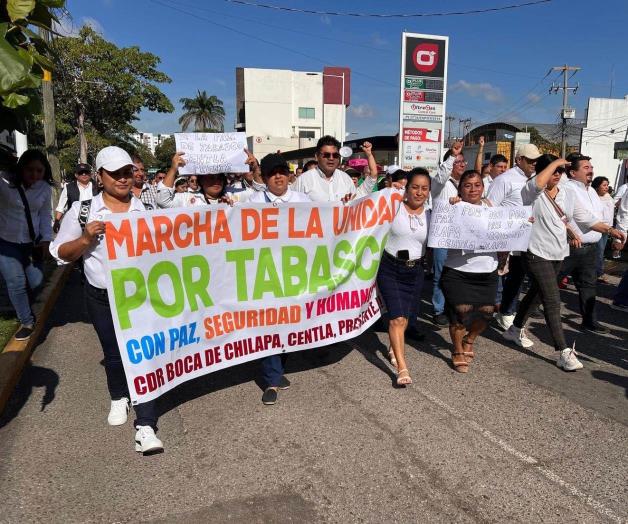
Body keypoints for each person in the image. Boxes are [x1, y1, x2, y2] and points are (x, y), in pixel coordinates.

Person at [49, 146, 163, 454]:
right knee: (113, 353)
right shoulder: (83, 211)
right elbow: (60, 253)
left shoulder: (146, 211)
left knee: (143, 354)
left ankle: (146, 424)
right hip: (101, 296)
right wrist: (85, 240)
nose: (123, 179)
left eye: (127, 172)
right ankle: (118, 396)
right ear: (100, 177)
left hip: (141, 297)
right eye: (115, 174)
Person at [502, 154, 625, 370]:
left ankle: (514, 328)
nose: (557, 175)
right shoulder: (531, 190)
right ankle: (563, 351)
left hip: (558, 252)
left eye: (560, 171)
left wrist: (611, 230)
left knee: (537, 294)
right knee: (552, 299)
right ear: (543, 171)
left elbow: (581, 218)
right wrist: (556, 162)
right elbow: (538, 182)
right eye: (553, 171)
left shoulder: (565, 193)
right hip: (535, 252)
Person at [247, 153, 311, 405]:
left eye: (282, 171)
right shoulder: (252, 202)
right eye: (273, 173)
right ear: (264, 177)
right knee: (269, 327)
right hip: (265, 275)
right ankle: (271, 379)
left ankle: (278, 369)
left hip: (294, 274)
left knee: (288, 326)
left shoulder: (302, 200)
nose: (278, 176)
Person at [441, 170, 499, 373]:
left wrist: (522, 226)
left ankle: (470, 339)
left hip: (487, 270)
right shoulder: (453, 207)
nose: (473, 189)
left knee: (487, 314)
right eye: (467, 185)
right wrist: (450, 208)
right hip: (458, 270)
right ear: (460, 189)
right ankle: (457, 350)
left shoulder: (492, 208)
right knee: (460, 312)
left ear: (483, 188)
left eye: (477, 185)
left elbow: (506, 232)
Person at [376, 169, 431, 385]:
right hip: (390, 268)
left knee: (406, 319)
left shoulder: (431, 214)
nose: (419, 192)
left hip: (415, 270)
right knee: (397, 318)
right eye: (415, 187)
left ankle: (393, 348)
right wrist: (390, 192)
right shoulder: (393, 206)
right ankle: (402, 367)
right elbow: (366, 209)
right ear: (406, 188)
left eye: (424, 188)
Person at [0, 150, 54, 341]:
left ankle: (23, 304)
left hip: (33, 243)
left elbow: (46, 215)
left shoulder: (45, 188)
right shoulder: (4, 184)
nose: (34, 175)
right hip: (6, 243)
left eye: (39, 171)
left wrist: (47, 240)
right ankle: (27, 321)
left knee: (36, 282)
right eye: (30, 169)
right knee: (16, 282)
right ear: (21, 167)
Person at [488, 143, 542, 330]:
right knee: (500, 276)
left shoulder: (534, 180)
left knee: (517, 277)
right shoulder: (504, 180)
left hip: (525, 237)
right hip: (505, 237)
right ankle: (501, 311)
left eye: (536, 160)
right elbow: (490, 207)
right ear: (519, 160)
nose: (534, 163)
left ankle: (506, 311)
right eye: (530, 160)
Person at [560, 153, 609, 333]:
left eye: (591, 167)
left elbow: (599, 215)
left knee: (588, 285)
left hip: (590, 249)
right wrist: (610, 230)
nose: (591, 171)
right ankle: (525, 312)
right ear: (573, 173)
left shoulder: (591, 191)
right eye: (586, 168)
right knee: (551, 281)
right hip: (572, 247)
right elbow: (584, 219)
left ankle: (589, 320)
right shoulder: (568, 189)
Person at [430, 140, 466, 327]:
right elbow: (441, 175)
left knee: (458, 273)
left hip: (461, 237)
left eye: (463, 161)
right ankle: (439, 310)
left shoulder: (466, 185)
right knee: (440, 274)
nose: (462, 164)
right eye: (457, 162)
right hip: (442, 237)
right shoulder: (440, 185)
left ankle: (455, 306)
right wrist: (452, 155)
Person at [292, 136, 377, 202]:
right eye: (326, 155)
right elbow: (291, 209)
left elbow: (371, 179)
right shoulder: (304, 180)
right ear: (317, 157)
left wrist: (369, 154)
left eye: (335, 155)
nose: (331, 158)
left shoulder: (345, 179)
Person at [54, 163, 99, 229]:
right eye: (81, 172)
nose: (84, 174)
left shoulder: (98, 186)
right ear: (76, 175)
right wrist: (56, 221)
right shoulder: (69, 188)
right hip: (75, 224)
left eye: (86, 172)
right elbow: (61, 206)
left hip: (95, 223)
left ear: (90, 174)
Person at [591, 176, 615, 283]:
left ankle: (595, 271)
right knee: (599, 251)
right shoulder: (593, 197)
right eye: (604, 185)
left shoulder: (609, 197)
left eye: (607, 185)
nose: (606, 187)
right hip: (597, 227)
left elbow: (610, 213)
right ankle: (598, 273)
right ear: (597, 186)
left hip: (607, 228)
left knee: (600, 251)